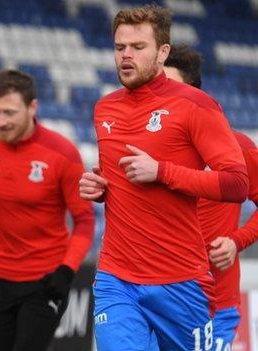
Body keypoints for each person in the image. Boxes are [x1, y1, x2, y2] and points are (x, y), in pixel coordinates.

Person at [79, 5, 249, 350]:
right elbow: (123, 183)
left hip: (180, 281)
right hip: (117, 277)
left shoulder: (197, 106)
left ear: (163, 52)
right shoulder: (104, 108)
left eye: (138, 47)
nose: (126, 56)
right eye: (119, 47)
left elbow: (237, 184)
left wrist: (163, 172)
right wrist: (100, 189)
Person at [0, 70, 95, 351]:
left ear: (32, 107)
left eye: (9, 113)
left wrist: (66, 270)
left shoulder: (63, 153)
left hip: (45, 281)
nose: (1, 121)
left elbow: (84, 220)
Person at [148, 44, 258, 351]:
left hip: (214, 304)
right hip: (152, 299)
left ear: (196, 95)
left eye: (170, 88)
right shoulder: (142, 150)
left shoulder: (236, 147)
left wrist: (237, 241)